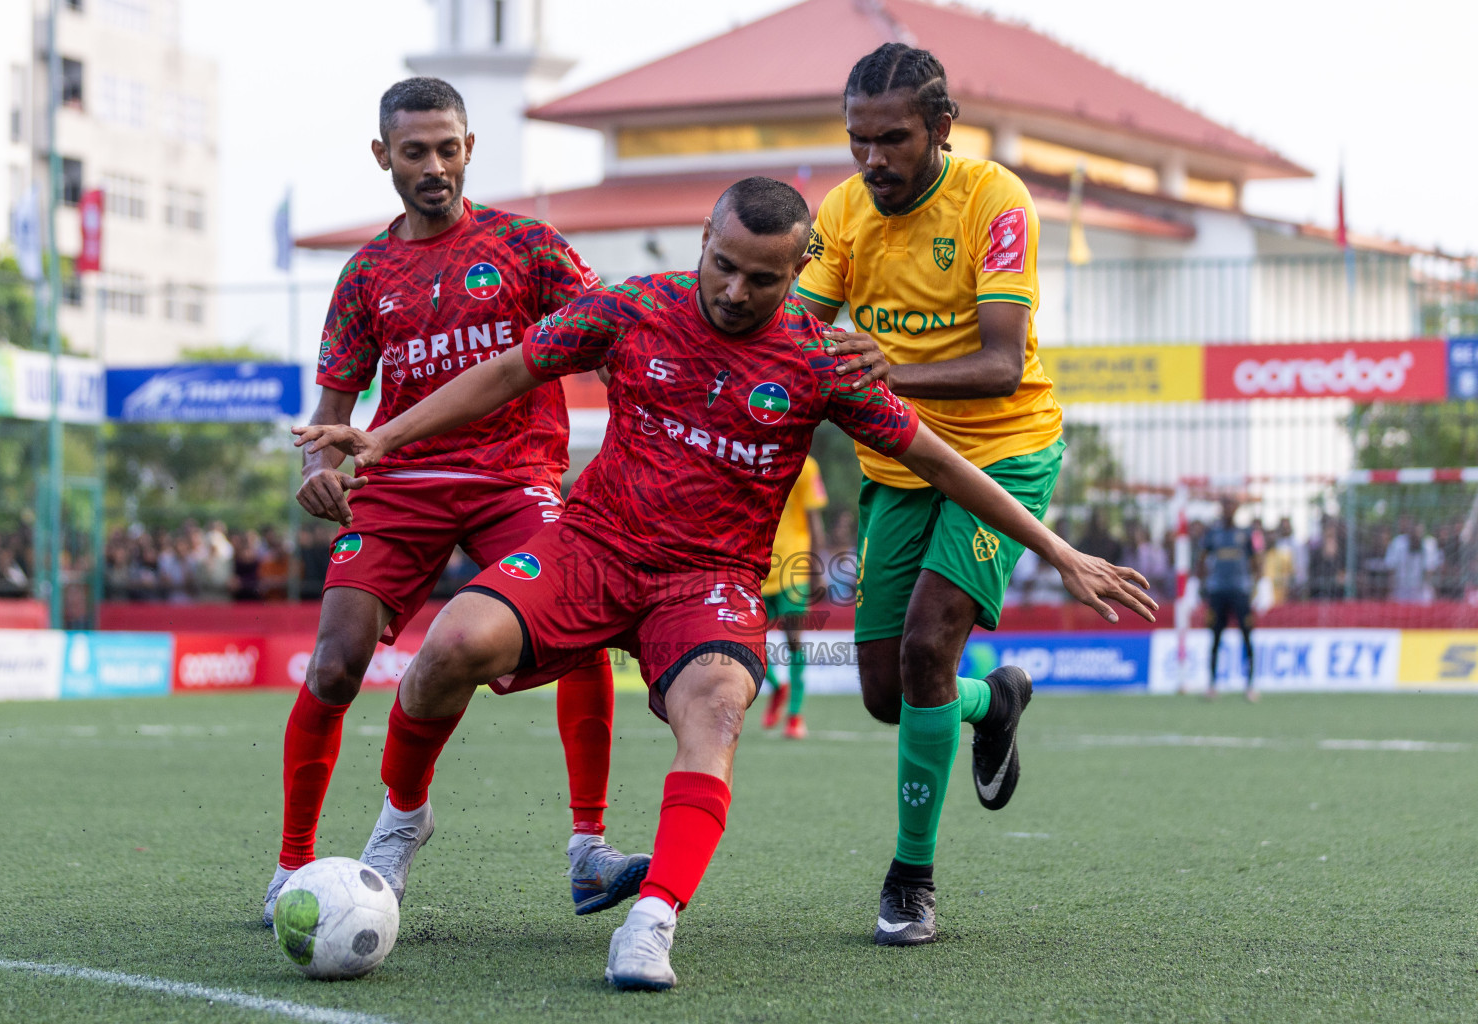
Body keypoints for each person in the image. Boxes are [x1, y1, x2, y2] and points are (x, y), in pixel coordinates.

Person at [295, 176, 1156, 991]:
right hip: (594, 543)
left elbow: (940, 460)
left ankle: (653, 920)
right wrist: (384, 436)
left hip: (708, 579)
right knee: (452, 643)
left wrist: (1062, 553)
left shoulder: (823, 361)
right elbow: (512, 370)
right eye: (726, 265)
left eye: (765, 279)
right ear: (704, 240)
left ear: (797, 274)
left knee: (716, 707)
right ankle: (404, 817)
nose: (739, 291)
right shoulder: (633, 305)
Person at [264, 77, 644, 926]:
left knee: (575, 627)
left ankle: (588, 848)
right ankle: (292, 866)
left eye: (448, 148)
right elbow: (331, 420)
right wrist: (322, 472)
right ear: (382, 157)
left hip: (516, 481)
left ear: (470, 148)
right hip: (399, 486)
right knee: (333, 663)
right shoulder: (366, 275)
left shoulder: (530, 247)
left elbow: (611, 340)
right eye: (414, 152)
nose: (434, 166)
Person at [794, 43, 1068, 945]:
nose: (873, 160)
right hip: (898, 468)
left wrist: (891, 374)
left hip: (1004, 456)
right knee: (887, 692)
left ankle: (911, 877)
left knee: (924, 648)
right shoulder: (842, 212)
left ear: (942, 127)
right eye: (858, 141)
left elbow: (998, 362)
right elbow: (797, 334)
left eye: (894, 140)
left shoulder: (997, 200)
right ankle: (997, 700)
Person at [758, 454, 828, 739]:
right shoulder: (753, 458)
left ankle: (795, 715)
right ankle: (777, 687)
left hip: (792, 567)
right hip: (757, 565)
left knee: (794, 641)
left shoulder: (807, 466)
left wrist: (817, 567)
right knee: (746, 639)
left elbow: (814, 520)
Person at [1197, 495, 1259, 700]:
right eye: (1225, 505)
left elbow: (1256, 560)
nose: (1228, 509)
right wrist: (1197, 583)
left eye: (1231, 505)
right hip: (1217, 592)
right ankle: (1212, 683)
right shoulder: (1212, 534)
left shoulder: (1247, 533)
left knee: (1247, 635)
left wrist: (1260, 584)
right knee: (1215, 637)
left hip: (1240, 591)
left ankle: (1250, 684)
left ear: (1237, 508)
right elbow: (1202, 559)